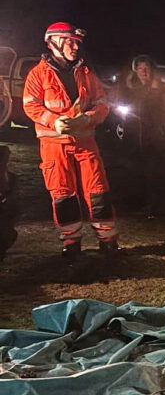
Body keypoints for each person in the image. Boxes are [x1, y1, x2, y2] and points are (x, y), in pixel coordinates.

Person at [23, 22, 118, 262]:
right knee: (63, 194)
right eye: (69, 41)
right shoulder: (37, 74)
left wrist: (89, 118)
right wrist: (55, 122)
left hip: (85, 142)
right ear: (52, 41)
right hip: (54, 146)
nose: (75, 46)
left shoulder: (86, 72)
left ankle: (108, 242)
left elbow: (102, 103)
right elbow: (30, 105)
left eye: (77, 42)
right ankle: (71, 244)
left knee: (98, 191)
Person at [123, 55, 165, 218]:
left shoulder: (162, 89)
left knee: (154, 174)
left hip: (157, 139)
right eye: (140, 69)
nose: (144, 72)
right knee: (137, 173)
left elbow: (160, 110)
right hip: (136, 139)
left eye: (147, 69)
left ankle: (154, 208)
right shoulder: (133, 90)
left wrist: (154, 89)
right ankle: (139, 205)